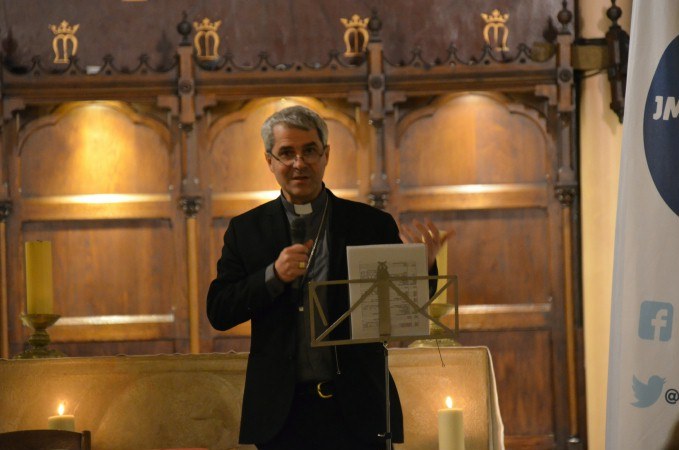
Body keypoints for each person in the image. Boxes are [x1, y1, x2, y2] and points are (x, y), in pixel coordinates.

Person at [207, 105, 447, 450]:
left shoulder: (369, 223)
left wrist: (421, 268)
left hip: (358, 408)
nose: (299, 163)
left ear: (326, 155)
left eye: (309, 151)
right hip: (282, 414)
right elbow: (219, 311)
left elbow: (407, 307)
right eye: (286, 153)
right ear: (269, 160)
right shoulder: (246, 230)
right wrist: (272, 276)